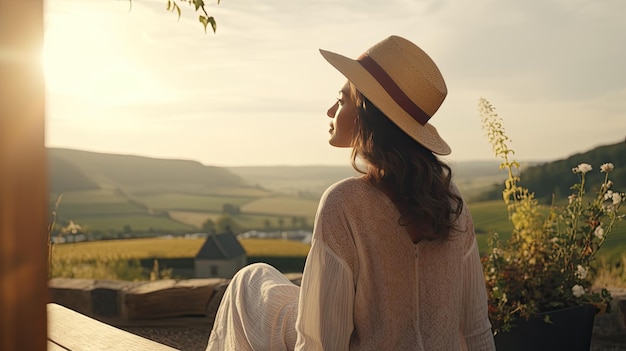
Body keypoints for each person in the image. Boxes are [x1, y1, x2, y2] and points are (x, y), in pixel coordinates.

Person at [206, 35, 495, 350]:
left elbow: (322, 342)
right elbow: (477, 328)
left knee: (249, 284)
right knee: (258, 280)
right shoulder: (449, 200)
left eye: (342, 99)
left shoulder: (344, 203)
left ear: (366, 115)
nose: (331, 110)